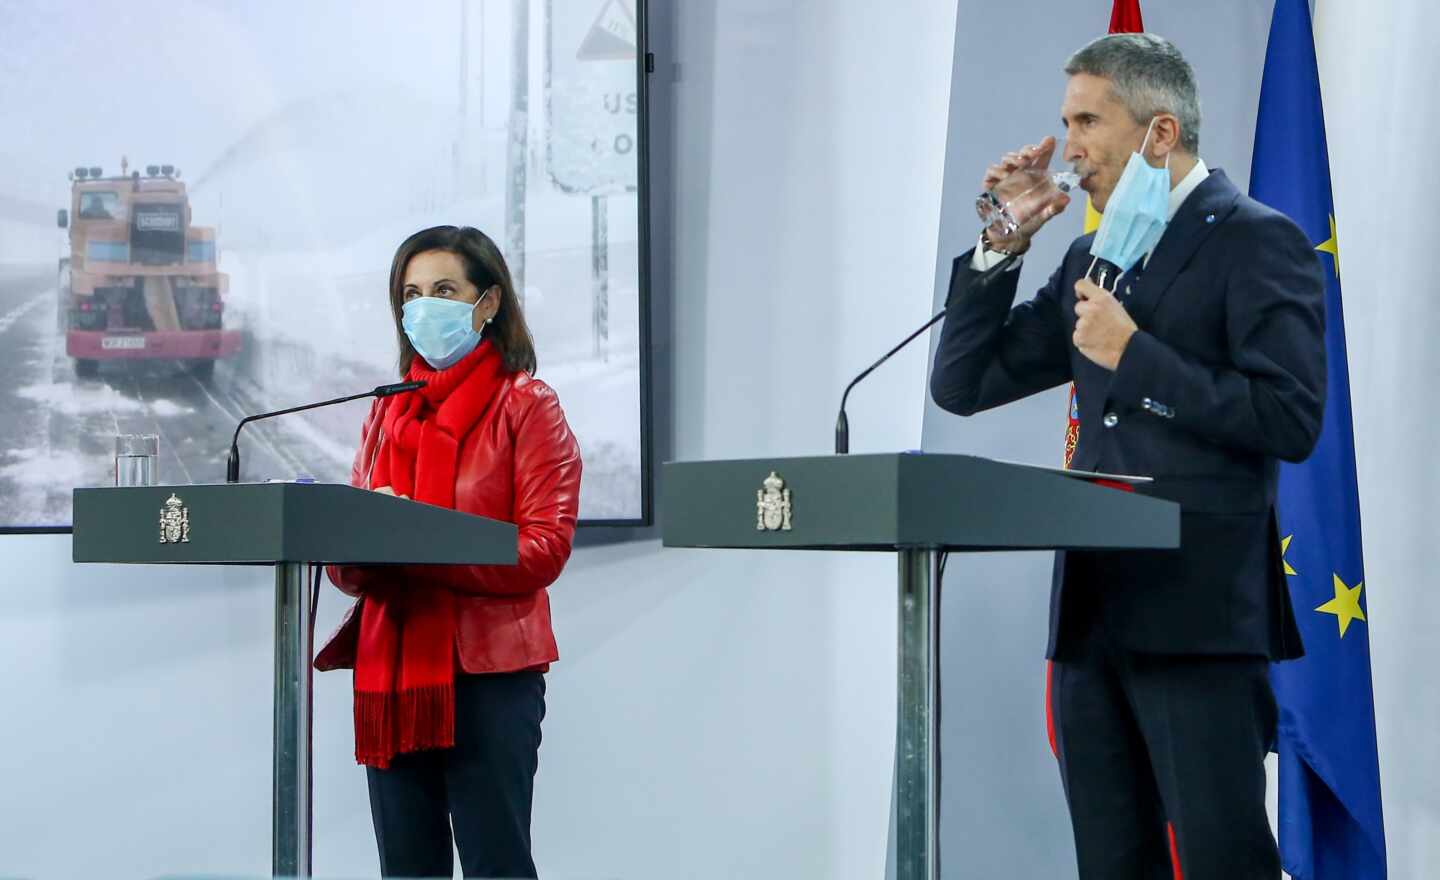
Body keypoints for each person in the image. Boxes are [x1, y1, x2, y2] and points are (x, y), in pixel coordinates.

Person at [929, 34, 1326, 880]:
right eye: (1065, 120)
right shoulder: (1092, 253)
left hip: (1199, 616)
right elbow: (965, 383)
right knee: (1111, 864)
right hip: (1094, 618)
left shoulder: (1260, 240)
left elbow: (1290, 418)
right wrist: (1003, 243)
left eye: (1086, 120)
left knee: (1224, 861)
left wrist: (1134, 354)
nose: (1067, 147)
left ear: (1159, 131)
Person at [315, 225, 582, 879]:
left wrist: (418, 540)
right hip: (393, 669)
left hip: (488, 678)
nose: (422, 307)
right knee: (406, 870)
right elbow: (347, 567)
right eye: (410, 293)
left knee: (496, 866)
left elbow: (543, 549)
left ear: (488, 302)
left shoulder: (528, 405)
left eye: (443, 289)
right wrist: (359, 538)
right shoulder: (388, 410)